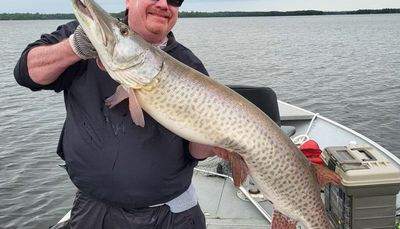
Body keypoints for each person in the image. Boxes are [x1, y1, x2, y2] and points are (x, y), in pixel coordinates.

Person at [14, 0, 226, 228]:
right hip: (93, 210)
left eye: (174, 0)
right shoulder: (84, 35)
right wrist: (73, 48)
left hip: (170, 213)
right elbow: (26, 73)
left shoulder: (190, 65)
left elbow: (197, 152)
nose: (164, 4)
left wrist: (217, 139)